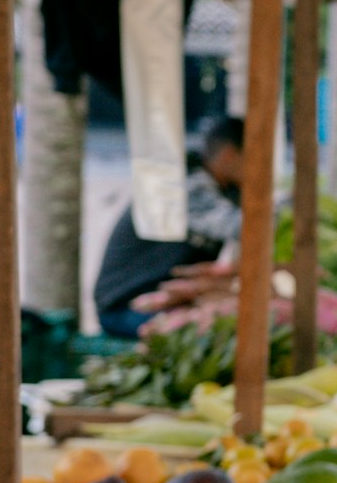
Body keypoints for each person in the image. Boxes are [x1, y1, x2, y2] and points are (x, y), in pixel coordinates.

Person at [93, 117, 244, 338]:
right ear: (230, 155)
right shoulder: (181, 185)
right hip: (125, 307)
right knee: (220, 333)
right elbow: (240, 226)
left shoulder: (224, 190)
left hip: (168, 300)